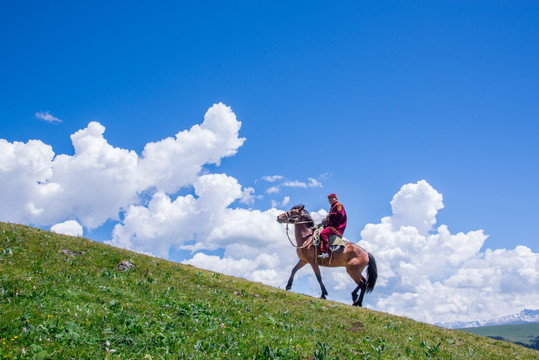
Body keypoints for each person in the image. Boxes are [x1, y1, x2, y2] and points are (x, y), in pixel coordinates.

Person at [318, 193, 347, 259]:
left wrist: (328, 217)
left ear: (336, 198)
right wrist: (326, 222)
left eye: (332, 198)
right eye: (329, 199)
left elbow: (339, 214)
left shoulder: (338, 205)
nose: (330, 200)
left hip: (337, 227)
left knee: (323, 233)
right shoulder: (332, 207)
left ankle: (325, 252)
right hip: (332, 226)